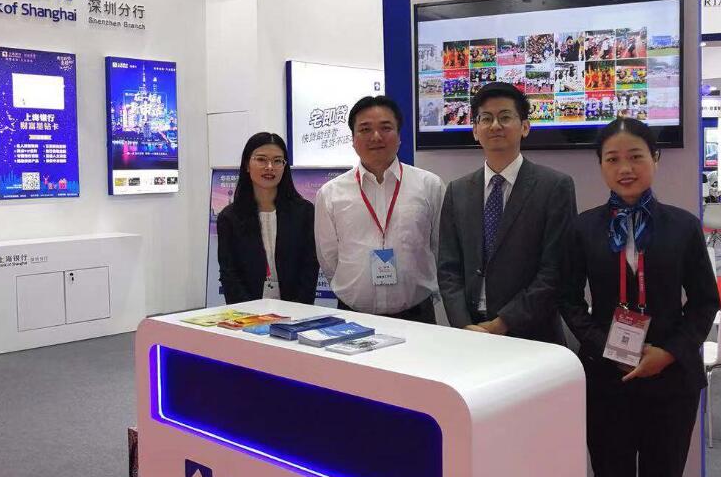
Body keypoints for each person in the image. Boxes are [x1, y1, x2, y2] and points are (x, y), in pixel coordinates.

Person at [560, 118, 720, 477]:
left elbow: (704, 302)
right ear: (601, 166)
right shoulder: (584, 228)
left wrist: (668, 351)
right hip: (607, 379)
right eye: (612, 159)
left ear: (656, 159)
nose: (624, 168)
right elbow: (569, 300)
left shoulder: (683, 226)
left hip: (671, 381)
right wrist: (605, 347)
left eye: (635, 157)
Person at [437, 81, 576, 343]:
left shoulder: (555, 186)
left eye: (505, 117)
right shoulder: (457, 191)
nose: (495, 125)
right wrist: (464, 324)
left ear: (525, 127)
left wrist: (502, 323)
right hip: (472, 334)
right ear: (475, 130)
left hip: (533, 335)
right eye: (486, 118)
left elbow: (555, 270)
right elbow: (448, 269)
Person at [315, 95, 445, 322]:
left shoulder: (429, 185)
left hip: (417, 314)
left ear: (399, 136)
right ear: (353, 139)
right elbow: (328, 258)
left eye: (385, 128)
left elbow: (440, 247)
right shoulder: (330, 193)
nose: (376, 136)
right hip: (352, 316)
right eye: (365, 129)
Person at [217, 132, 319, 304]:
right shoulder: (229, 217)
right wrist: (249, 312)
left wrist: (298, 309)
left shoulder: (304, 212)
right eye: (261, 159)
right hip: (247, 310)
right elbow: (229, 274)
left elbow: (310, 267)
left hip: (296, 309)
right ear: (247, 165)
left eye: (278, 161)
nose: (270, 167)